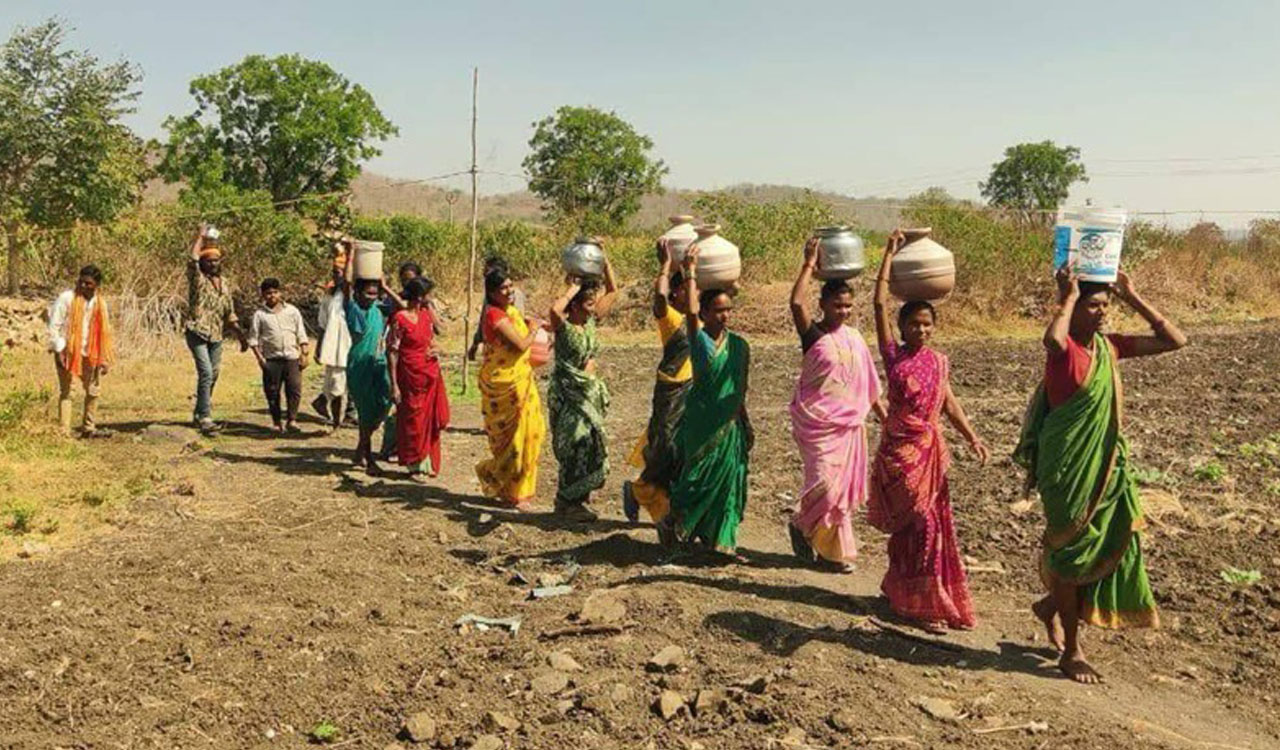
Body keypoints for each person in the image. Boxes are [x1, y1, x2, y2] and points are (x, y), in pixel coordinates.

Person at [1014, 265, 1187, 684]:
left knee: (1108, 541)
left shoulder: (1109, 350)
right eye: (1094, 305)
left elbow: (1174, 340)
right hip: (1067, 470)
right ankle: (1072, 651)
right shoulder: (1065, 351)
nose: (1101, 313)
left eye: (1105, 305)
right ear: (1074, 309)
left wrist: (1131, 295)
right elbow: (1051, 338)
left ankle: (1050, 606)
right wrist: (1068, 296)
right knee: (1072, 552)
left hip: (1106, 468)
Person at [867, 231, 988, 633]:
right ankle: (917, 602)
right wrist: (888, 255)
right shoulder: (893, 357)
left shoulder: (938, 362)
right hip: (900, 456)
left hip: (929, 454)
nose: (921, 330)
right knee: (912, 525)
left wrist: (971, 436)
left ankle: (916, 592)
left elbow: (948, 404)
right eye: (914, 324)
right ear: (901, 327)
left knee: (931, 527)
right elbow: (879, 302)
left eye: (927, 324)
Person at [786, 238, 885, 572]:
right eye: (837, 305)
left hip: (850, 427)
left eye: (847, 306)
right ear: (824, 305)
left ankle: (832, 552)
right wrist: (809, 263)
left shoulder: (855, 338)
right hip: (818, 425)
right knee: (825, 487)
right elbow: (796, 304)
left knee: (842, 495)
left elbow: (869, 384)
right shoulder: (814, 336)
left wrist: (885, 418)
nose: (843, 311)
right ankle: (802, 524)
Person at [657, 248, 753, 560]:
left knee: (727, 482)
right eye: (718, 310)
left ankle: (720, 541)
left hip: (729, 424)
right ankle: (673, 521)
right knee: (695, 480)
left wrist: (744, 421)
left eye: (729, 310)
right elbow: (691, 313)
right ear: (707, 313)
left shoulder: (740, 346)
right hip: (700, 422)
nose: (725, 316)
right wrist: (690, 271)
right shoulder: (698, 340)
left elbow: (741, 388)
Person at [623, 238, 692, 523]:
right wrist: (666, 266)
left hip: (694, 393)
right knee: (666, 447)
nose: (692, 294)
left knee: (682, 452)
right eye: (686, 290)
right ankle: (639, 491)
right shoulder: (673, 319)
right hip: (673, 388)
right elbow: (660, 300)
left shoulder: (702, 320)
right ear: (676, 294)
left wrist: (693, 269)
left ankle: (669, 509)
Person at [548, 258, 618, 519]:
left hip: (588, 395)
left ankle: (578, 500)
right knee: (574, 445)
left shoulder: (590, 322)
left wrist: (604, 257)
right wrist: (571, 289)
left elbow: (612, 291)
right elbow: (554, 311)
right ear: (574, 305)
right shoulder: (564, 328)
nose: (592, 309)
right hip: (569, 396)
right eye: (588, 304)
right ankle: (566, 501)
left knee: (589, 445)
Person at [475, 265, 546, 510]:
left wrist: (531, 324)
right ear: (492, 293)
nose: (509, 291)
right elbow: (520, 345)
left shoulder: (511, 311)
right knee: (514, 442)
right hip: (505, 384)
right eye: (503, 288)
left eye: (510, 286)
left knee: (533, 432)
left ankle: (518, 491)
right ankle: (495, 475)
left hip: (521, 380)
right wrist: (534, 329)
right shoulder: (495, 315)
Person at [184, 225, 247, 435]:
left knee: (214, 373)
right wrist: (200, 237)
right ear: (203, 263)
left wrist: (241, 336)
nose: (212, 264)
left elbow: (229, 313)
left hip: (217, 334)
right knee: (206, 372)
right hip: (197, 331)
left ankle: (199, 412)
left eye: (215, 260)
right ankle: (205, 417)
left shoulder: (225, 284)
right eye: (208, 261)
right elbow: (192, 260)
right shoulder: (198, 281)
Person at [387, 277, 451, 480]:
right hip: (408, 375)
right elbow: (393, 352)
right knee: (411, 418)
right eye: (428, 295)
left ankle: (426, 461)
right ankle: (413, 463)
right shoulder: (400, 318)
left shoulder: (425, 316)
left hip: (428, 373)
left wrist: (435, 350)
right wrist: (394, 384)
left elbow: (431, 340)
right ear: (420, 296)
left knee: (429, 418)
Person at [47, 265, 114, 437]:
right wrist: (59, 349)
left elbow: (104, 333)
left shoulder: (100, 304)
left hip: (91, 353)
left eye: (88, 283)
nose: (83, 286)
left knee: (93, 390)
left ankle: (88, 428)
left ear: (96, 285)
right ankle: (64, 432)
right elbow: (54, 326)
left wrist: (104, 358)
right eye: (81, 282)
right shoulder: (67, 298)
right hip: (67, 351)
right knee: (68, 391)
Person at [341, 252, 393, 471]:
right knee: (365, 411)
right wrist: (351, 254)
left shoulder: (378, 309)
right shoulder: (353, 309)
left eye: (375, 293)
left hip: (378, 363)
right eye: (368, 293)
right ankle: (367, 457)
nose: (371, 297)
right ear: (358, 293)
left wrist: (385, 286)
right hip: (359, 364)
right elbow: (346, 284)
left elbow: (403, 307)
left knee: (383, 403)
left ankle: (360, 450)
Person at [248, 278, 310, 434]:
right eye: (268, 293)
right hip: (272, 359)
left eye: (275, 292)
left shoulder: (292, 311)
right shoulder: (259, 315)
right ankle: (277, 423)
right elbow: (253, 339)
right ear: (263, 295)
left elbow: (301, 333)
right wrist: (260, 359)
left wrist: (304, 353)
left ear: (280, 293)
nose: (272, 296)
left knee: (294, 389)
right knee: (272, 391)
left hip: (292, 357)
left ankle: (292, 420)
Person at [315, 255, 353, 433]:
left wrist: (350, 252)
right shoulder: (329, 296)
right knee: (335, 384)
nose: (337, 276)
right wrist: (318, 347)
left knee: (339, 384)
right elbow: (322, 324)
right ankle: (335, 420)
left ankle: (324, 402)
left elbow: (348, 283)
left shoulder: (349, 295)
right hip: (333, 346)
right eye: (335, 273)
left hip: (347, 344)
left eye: (340, 273)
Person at [467, 255, 527, 362]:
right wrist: (475, 344)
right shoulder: (492, 299)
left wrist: (533, 331)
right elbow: (483, 320)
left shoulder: (511, 295)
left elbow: (519, 322)